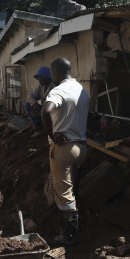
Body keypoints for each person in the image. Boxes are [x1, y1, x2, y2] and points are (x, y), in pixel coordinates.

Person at [42, 57, 89, 245]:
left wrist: (52, 136)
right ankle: (76, 227)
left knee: (65, 194)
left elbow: (46, 111)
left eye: (52, 72)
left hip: (63, 149)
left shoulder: (58, 90)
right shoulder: (81, 90)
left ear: (57, 72)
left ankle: (68, 236)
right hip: (82, 146)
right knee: (71, 188)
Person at [25, 66, 55, 132]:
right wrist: (35, 104)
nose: (38, 79)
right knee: (28, 105)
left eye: (40, 77)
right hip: (45, 111)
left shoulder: (55, 86)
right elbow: (30, 96)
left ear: (47, 76)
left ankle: (50, 128)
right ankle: (40, 127)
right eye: (38, 77)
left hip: (54, 112)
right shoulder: (41, 86)